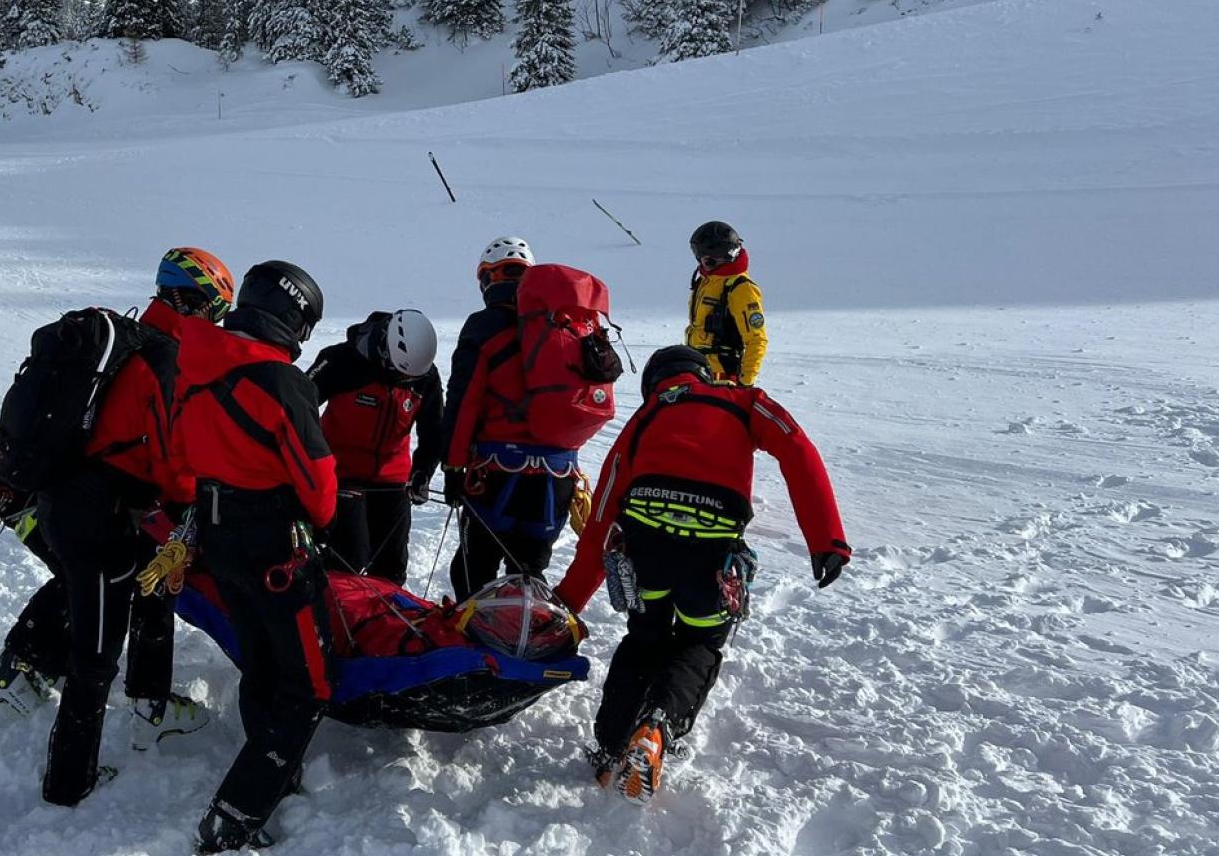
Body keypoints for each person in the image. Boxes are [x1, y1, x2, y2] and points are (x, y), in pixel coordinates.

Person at [0, 247, 235, 805]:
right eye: (214, 310)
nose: (214, 323)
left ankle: (151, 703)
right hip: (93, 518)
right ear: (195, 303)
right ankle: (68, 782)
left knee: (152, 588)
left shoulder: (134, 337)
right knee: (95, 655)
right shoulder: (164, 359)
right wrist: (204, 498)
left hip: (80, 504)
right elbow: (173, 466)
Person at [555, 345, 852, 803]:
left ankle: (609, 748)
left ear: (655, 382)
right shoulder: (745, 401)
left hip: (646, 541)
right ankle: (657, 726)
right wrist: (826, 540)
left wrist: (569, 602)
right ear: (703, 374)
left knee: (644, 637)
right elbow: (797, 447)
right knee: (699, 641)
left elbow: (604, 511)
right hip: (711, 549)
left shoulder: (648, 415)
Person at [172, 260, 337, 854]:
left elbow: (181, 449)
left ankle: (277, 769)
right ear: (294, 316)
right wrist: (316, 521)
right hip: (272, 542)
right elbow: (319, 483)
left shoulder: (192, 360)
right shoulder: (281, 381)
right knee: (310, 684)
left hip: (218, 534)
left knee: (260, 663)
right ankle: (236, 813)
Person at [439, 236, 581, 603]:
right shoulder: (565, 322)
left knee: (475, 568)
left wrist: (453, 466)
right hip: (557, 473)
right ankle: (522, 643)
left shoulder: (484, 325)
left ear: (488, 279)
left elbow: (464, 398)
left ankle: (474, 648)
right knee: (529, 571)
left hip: (496, 471)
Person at [307, 309, 444, 585]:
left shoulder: (425, 376)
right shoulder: (341, 360)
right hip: (339, 475)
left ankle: (382, 624)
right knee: (349, 558)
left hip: (393, 480)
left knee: (392, 567)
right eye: (399, 373)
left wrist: (423, 472)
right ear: (385, 352)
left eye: (409, 378)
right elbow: (300, 406)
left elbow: (434, 430)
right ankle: (331, 616)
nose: (404, 382)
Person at [685, 220, 767, 385]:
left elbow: (756, 340)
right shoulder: (705, 282)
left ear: (727, 256)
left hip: (723, 378)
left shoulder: (741, 289)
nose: (703, 265)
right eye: (699, 259)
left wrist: (746, 382)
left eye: (709, 261)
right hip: (697, 372)